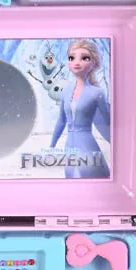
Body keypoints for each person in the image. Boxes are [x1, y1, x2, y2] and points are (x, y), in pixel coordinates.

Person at [50, 38, 111, 178]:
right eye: (72, 58)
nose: (77, 62)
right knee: (71, 176)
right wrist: (52, 145)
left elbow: (107, 122)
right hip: (69, 146)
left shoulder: (96, 93)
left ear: (94, 63)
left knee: (89, 174)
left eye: (84, 58)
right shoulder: (65, 91)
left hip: (86, 144)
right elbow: (61, 121)